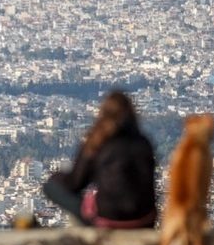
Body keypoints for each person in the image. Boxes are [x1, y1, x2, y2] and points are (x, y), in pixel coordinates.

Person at [43, 90, 157, 228]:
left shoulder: (98, 141)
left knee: (51, 186)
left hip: (108, 217)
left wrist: (58, 177)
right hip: (143, 219)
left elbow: (75, 183)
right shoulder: (143, 143)